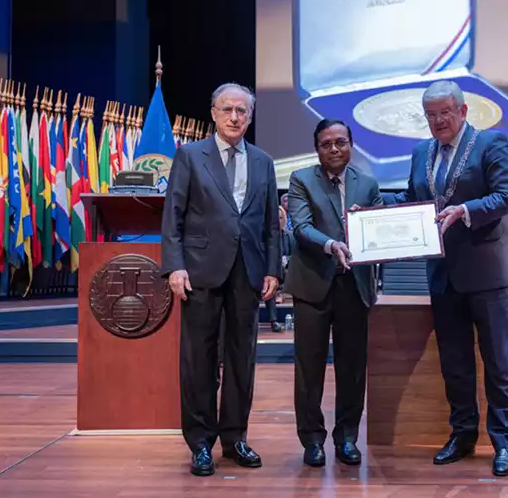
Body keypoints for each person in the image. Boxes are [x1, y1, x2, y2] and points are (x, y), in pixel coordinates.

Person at [383, 80, 508, 477]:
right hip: (442, 273)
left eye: (445, 112)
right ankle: (462, 435)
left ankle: (504, 443)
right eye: (431, 115)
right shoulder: (421, 151)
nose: (438, 120)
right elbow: (414, 198)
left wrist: (466, 210)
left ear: (462, 111)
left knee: (497, 363)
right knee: (454, 363)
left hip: (486, 271)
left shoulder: (491, 144)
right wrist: (373, 209)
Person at [161, 83, 281, 476]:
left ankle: (235, 438)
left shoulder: (263, 161)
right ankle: (200, 443)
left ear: (250, 116)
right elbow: (173, 218)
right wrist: (174, 266)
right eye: (227, 109)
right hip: (199, 273)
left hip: (247, 273)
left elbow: (269, 225)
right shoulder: (191, 156)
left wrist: (273, 269)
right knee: (198, 361)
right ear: (213, 113)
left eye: (241, 111)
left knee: (241, 360)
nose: (234, 117)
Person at [283, 119, 383, 467]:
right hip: (313, 283)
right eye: (326, 144)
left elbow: (378, 226)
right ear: (317, 148)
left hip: (354, 286)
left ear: (351, 144)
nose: (334, 149)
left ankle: (347, 438)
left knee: (352, 368)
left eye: (341, 142)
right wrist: (331, 244)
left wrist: (368, 222)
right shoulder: (301, 180)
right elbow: (301, 226)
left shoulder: (367, 183)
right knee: (309, 369)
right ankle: (312, 440)